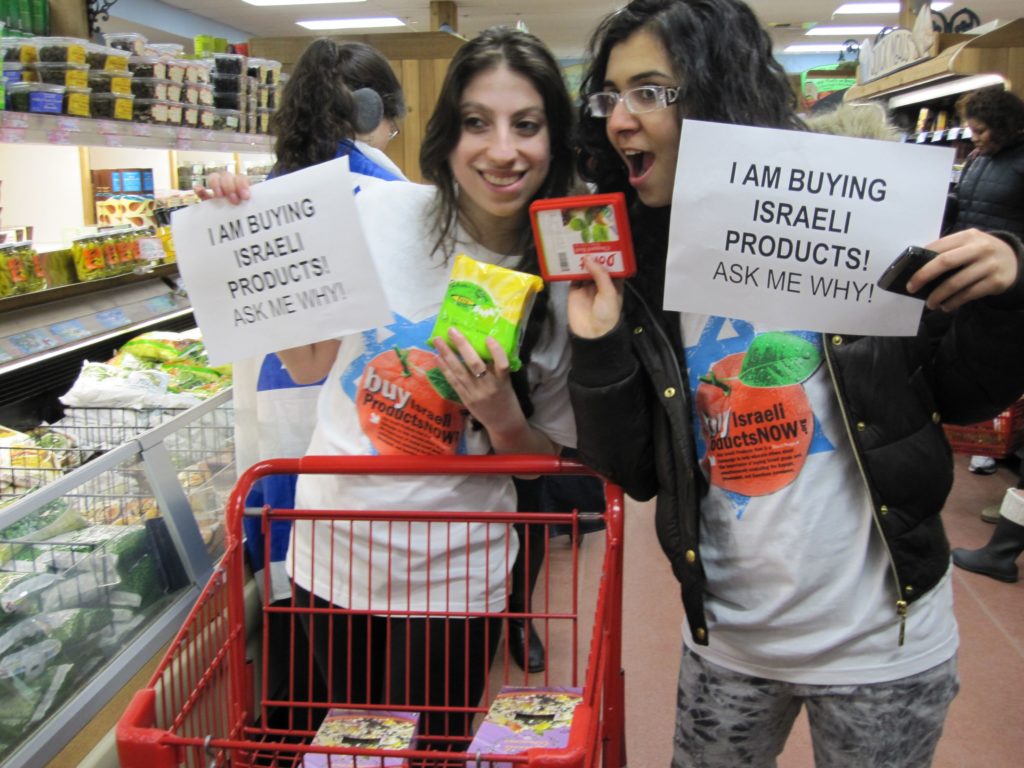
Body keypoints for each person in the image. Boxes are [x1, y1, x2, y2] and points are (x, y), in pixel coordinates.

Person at [565, 1, 1024, 766]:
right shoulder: (640, 264)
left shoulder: (859, 216)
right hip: (729, 639)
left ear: (716, 91)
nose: (619, 118)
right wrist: (598, 345)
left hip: (884, 641)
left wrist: (1008, 287)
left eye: (650, 90)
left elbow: (964, 394)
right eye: (610, 95)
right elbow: (637, 471)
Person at [205, 26, 578, 747]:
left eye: (526, 125)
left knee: (431, 751)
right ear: (447, 134)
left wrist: (500, 414)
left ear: (554, 139)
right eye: (477, 122)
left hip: (452, 572)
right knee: (353, 748)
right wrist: (245, 228)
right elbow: (311, 364)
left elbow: (543, 457)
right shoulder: (373, 213)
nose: (502, 149)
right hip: (330, 548)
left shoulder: (560, 278)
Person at [222, 39, 409, 728]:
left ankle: (300, 733)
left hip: (281, 431)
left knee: (302, 633)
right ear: (374, 112)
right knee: (366, 648)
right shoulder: (388, 192)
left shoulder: (262, 194)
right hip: (361, 428)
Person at [943, 88, 1024, 479]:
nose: (973, 136)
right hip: (966, 273)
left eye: (981, 130)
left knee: (997, 365)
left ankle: (990, 450)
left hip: (1004, 283)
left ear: (1002, 126)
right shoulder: (978, 159)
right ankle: (974, 441)